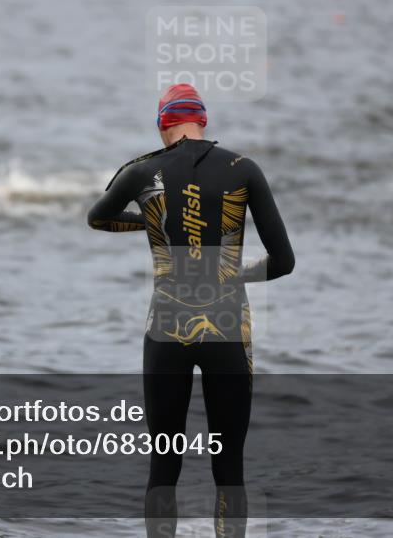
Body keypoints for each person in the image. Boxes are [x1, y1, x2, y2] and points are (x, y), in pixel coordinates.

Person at [87, 83, 294, 538]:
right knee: (229, 466)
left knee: (164, 461)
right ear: (204, 121)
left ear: (163, 124)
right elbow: (284, 262)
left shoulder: (141, 172)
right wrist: (237, 276)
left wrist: (153, 220)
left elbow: (98, 217)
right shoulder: (244, 169)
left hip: (166, 328)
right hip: (227, 328)